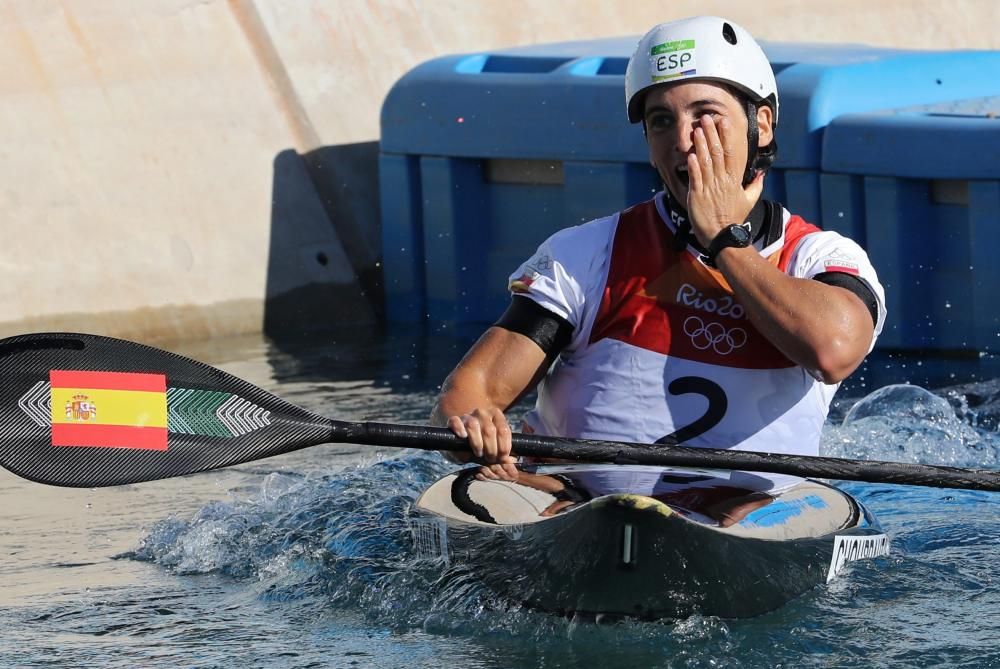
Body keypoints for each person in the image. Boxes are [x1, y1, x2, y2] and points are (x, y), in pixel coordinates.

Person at [429, 16, 886, 509]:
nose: (685, 140)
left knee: (778, 507)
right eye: (662, 121)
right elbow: (467, 393)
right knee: (480, 490)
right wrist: (475, 422)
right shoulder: (585, 254)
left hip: (746, 518)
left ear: (762, 125)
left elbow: (833, 352)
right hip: (578, 509)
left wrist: (724, 242)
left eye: (706, 114)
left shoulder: (822, 257)